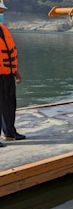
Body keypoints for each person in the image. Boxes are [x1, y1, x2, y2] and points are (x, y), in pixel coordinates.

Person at [0, 0, 25, 148]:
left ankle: (10, 132)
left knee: (10, 104)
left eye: (2, 12)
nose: (1, 14)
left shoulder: (3, 30)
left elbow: (9, 55)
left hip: (7, 75)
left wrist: (16, 72)